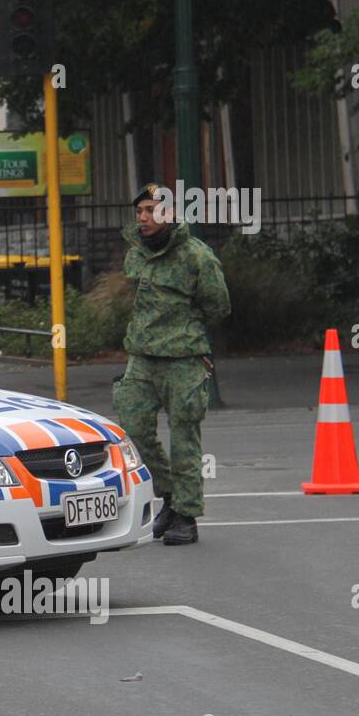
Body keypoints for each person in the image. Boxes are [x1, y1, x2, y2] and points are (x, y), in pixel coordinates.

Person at [113, 183, 231, 546]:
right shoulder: (135, 254)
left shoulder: (197, 256)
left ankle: (186, 515)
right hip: (142, 359)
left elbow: (219, 306)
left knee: (184, 440)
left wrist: (187, 333)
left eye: (151, 211)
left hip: (183, 360)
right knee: (132, 429)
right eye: (139, 211)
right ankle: (168, 495)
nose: (143, 218)